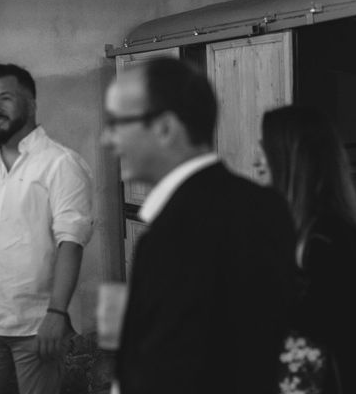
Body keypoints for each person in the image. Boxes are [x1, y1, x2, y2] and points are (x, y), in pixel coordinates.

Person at [101, 57, 296, 394]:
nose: (108, 139)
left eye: (118, 122)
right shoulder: (265, 204)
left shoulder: (175, 233)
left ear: (165, 128)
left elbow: (167, 372)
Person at [0, 63, 93, 394]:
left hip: (37, 327)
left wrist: (57, 313)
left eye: (5, 98)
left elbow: (71, 243)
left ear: (31, 103)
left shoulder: (60, 164)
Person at [259, 105, 356, 394]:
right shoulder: (308, 231)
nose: (257, 162)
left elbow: (310, 341)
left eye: (265, 150)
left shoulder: (328, 240)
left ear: (291, 158)